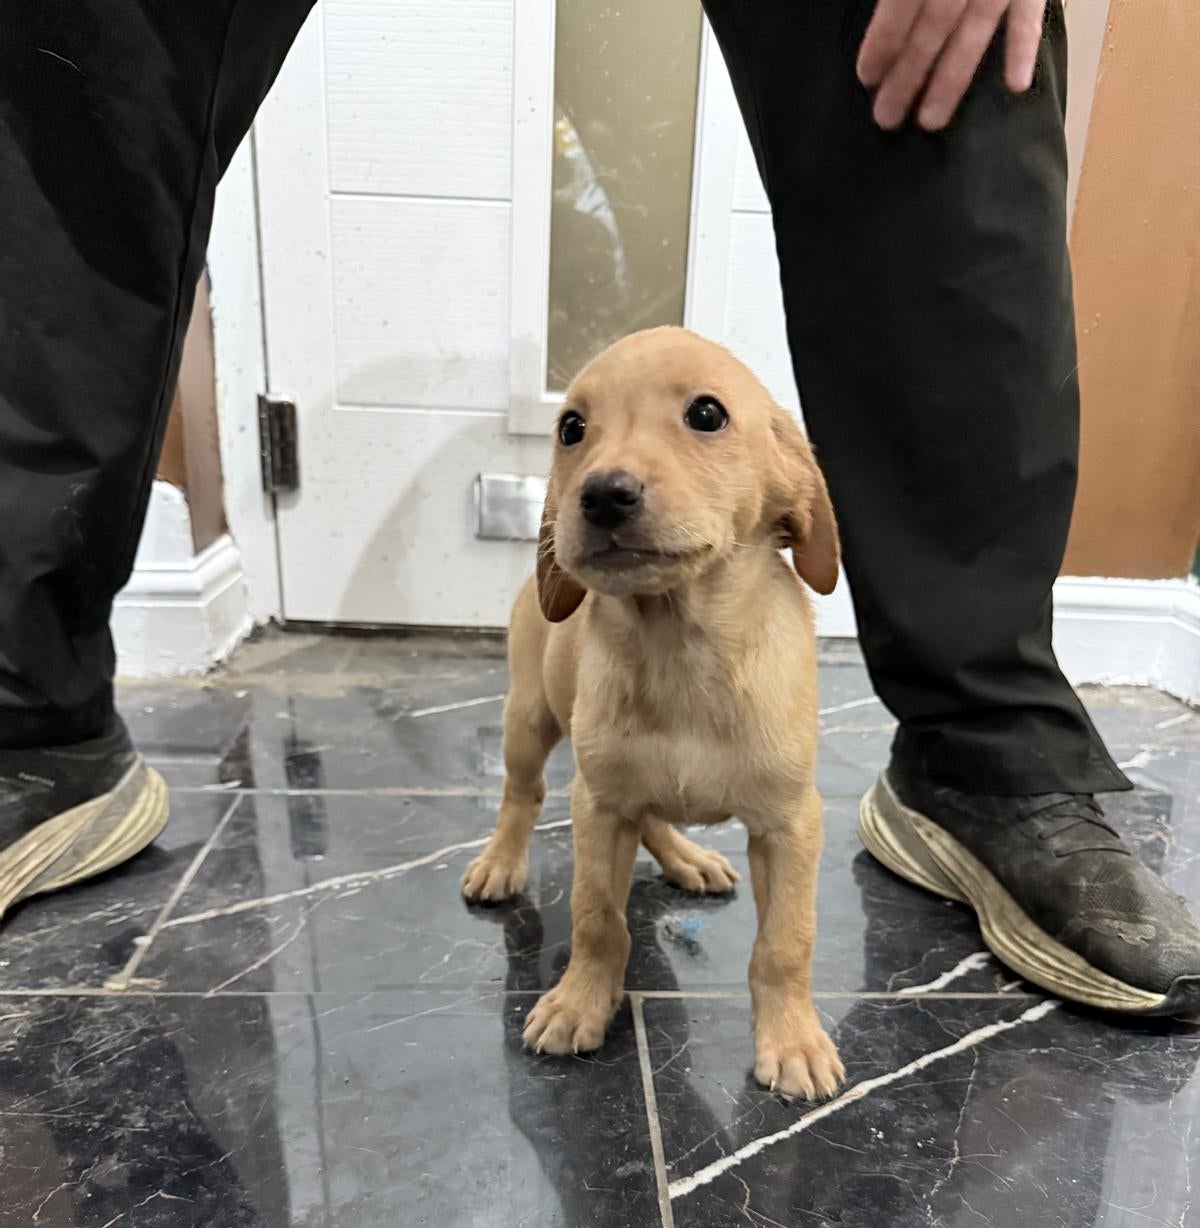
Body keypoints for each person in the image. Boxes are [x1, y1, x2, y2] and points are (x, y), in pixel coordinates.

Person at [2, 0, 1197, 1011]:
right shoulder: (568, 592)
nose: (613, 475)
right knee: (76, 43)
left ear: (795, 499)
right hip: (610, 726)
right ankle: (24, 704)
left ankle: (984, 740)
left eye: (703, 421)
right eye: (579, 435)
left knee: (925, 51)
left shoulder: (788, 557)